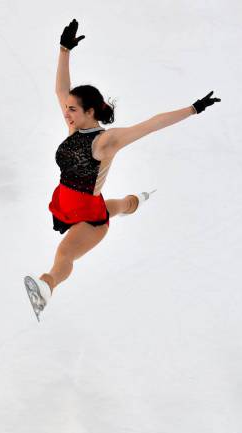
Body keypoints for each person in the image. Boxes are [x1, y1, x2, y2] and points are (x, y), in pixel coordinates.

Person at [24, 19, 221, 322]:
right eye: (67, 109)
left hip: (90, 217)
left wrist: (193, 109)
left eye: (73, 109)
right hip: (67, 202)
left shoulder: (107, 141)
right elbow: (61, 89)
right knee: (116, 205)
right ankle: (136, 200)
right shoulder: (73, 126)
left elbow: (152, 124)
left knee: (65, 254)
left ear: (90, 112)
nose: (67, 112)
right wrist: (64, 49)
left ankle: (46, 288)